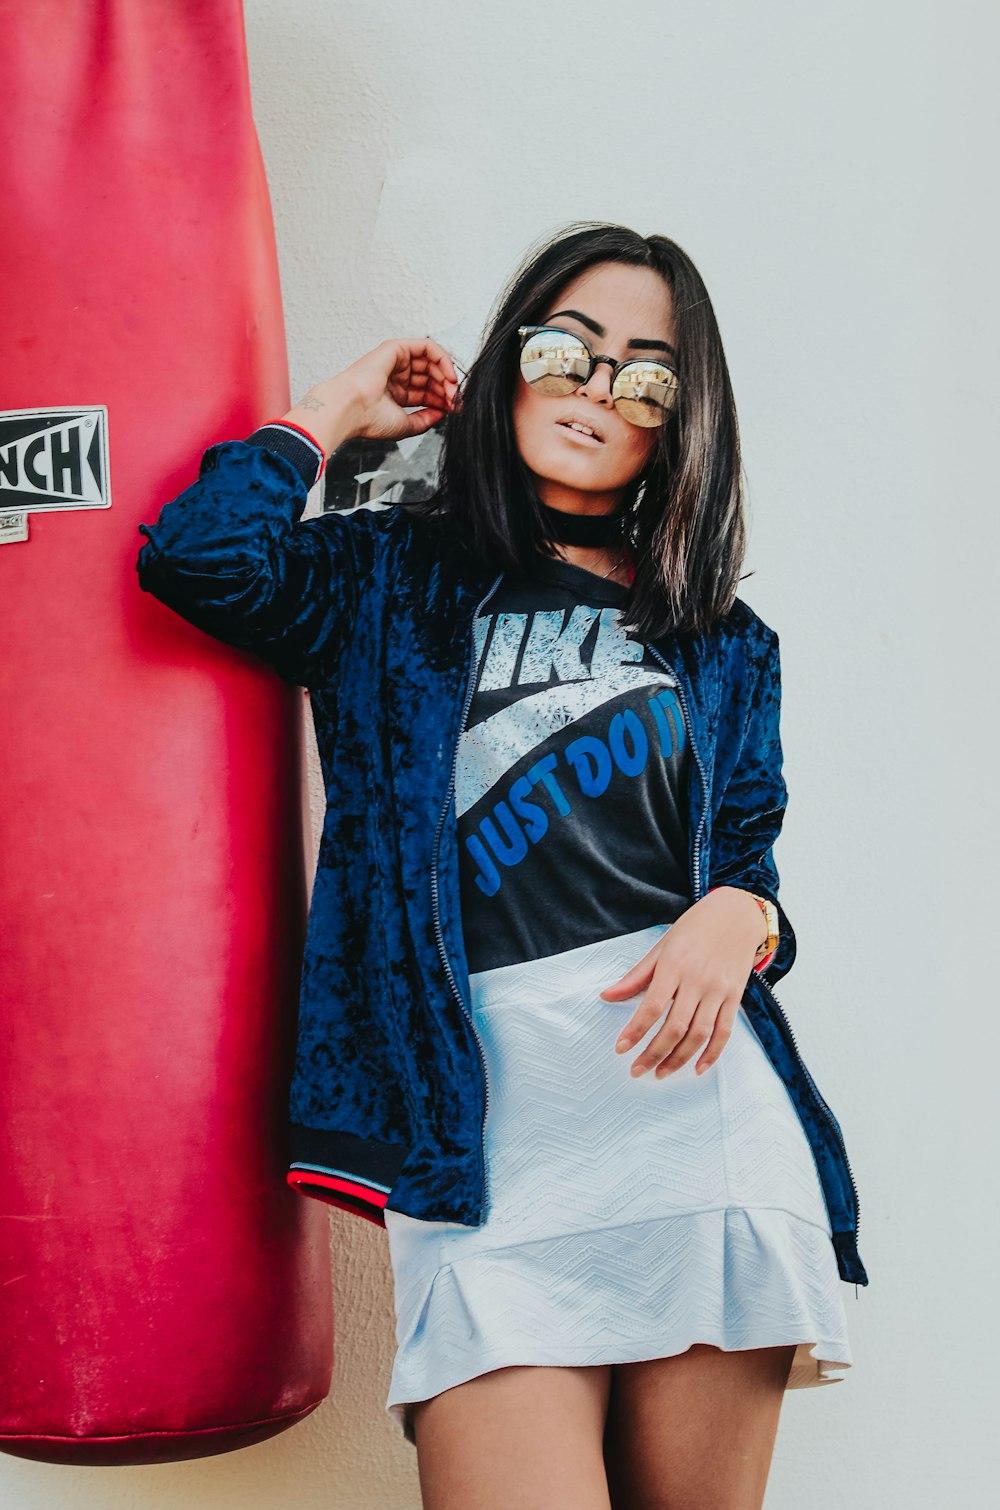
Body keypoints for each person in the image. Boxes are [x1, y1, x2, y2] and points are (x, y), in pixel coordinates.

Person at [136, 220, 867, 1510]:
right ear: (510, 361)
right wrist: (337, 406)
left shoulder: (720, 638)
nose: (598, 390)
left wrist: (739, 912)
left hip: (697, 1125)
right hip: (478, 1139)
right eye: (568, 349)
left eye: (647, 374)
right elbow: (198, 559)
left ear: (678, 424)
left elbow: (752, 864)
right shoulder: (387, 575)